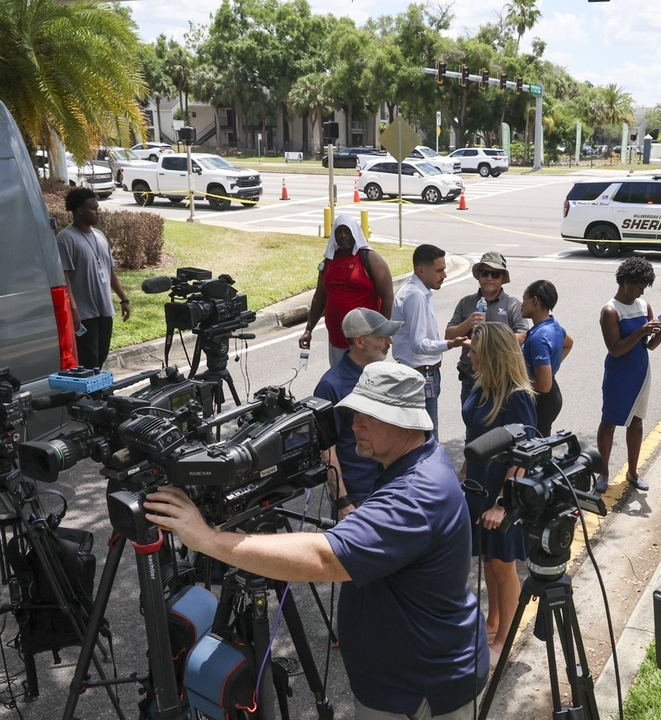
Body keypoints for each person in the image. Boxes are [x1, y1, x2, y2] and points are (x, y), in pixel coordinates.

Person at [144, 362, 488, 720]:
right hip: (408, 678)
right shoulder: (411, 461)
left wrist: (207, 539)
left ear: (407, 422)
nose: (355, 425)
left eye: (370, 416)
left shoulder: (416, 493)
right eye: (355, 413)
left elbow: (325, 559)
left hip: (419, 690)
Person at [458, 323, 537, 665]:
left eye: (474, 351)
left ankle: (505, 638)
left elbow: (522, 455)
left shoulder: (517, 396)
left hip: (502, 494)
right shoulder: (483, 387)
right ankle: (493, 620)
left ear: (491, 355)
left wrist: (502, 504)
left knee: (504, 566)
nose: (468, 355)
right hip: (478, 487)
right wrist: (463, 469)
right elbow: (475, 436)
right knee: (489, 560)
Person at [314, 307, 402, 518]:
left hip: (390, 486)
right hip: (359, 497)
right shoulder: (330, 386)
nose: (390, 341)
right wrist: (343, 501)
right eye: (382, 337)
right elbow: (326, 450)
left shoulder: (381, 373)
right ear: (360, 342)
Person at [596, 257, 661, 493]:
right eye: (639, 286)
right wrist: (640, 331)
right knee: (609, 423)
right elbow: (615, 349)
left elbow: (650, 346)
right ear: (626, 283)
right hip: (619, 374)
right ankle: (604, 471)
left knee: (636, 422)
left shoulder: (643, 305)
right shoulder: (610, 310)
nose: (642, 292)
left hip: (640, 372)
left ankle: (633, 472)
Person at [393, 244, 467, 441]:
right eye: (439, 270)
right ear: (421, 270)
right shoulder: (415, 296)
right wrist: (449, 344)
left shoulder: (418, 291)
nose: (444, 275)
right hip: (421, 374)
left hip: (424, 372)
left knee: (421, 433)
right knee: (428, 434)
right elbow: (419, 344)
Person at [300, 215, 395, 367]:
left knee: (366, 383)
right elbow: (319, 298)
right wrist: (308, 330)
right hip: (337, 338)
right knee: (341, 383)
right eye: (339, 232)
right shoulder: (328, 262)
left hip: (366, 340)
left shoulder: (370, 259)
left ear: (355, 234)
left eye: (347, 231)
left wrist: (382, 333)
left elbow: (388, 298)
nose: (343, 235)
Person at [57, 187, 131, 369]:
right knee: (88, 363)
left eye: (98, 207)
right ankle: (91, 397)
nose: (98, 211)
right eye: (93, 208)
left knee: (100, 358)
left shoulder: (100, 236)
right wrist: (73, 309)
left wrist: (124, 298)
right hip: (84, 315)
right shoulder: (65, 239)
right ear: (79, 211)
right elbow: (64, 277)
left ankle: (98, 396)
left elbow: (110, 271)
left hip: (104, 311)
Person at [447, 252, 529, 404]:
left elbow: (521, 336)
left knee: (501, 426)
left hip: (502, 380)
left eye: (495, 274)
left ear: (503, 278)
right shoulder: (466, 302)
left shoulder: (512, 304)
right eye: (485, 273)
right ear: (479, 276)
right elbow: (449, 335)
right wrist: (468, 324)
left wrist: (490, 344)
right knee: (472, 425)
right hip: (471, 379)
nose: (489, 278)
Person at [520, 280, 573, 436]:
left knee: (534, 451)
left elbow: (544, 386)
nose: (521, 304)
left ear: (534, 300)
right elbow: (568, 343)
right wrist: (550, 367)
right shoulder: (553, 324)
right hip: (550, 397)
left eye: (524, 299)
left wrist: (514, 379)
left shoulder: (539, 338)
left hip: (541, 401)